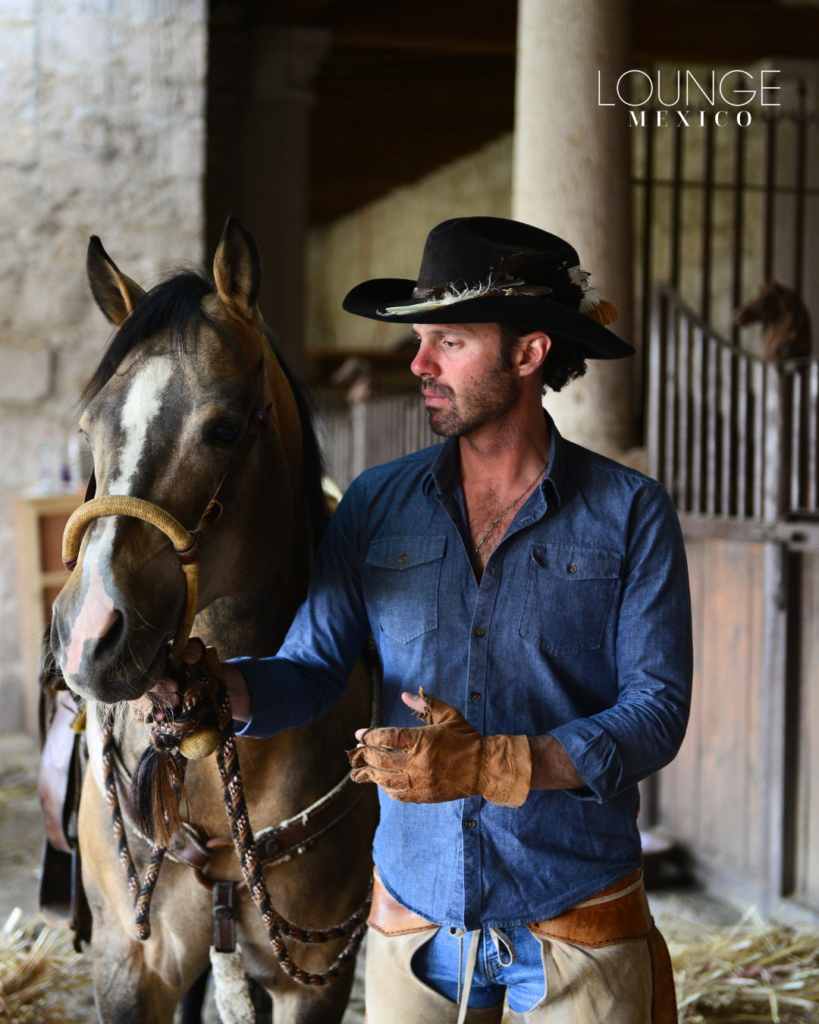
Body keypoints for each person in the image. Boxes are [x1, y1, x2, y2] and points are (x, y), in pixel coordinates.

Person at [156, 217, 692, 1022]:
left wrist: (494, 765)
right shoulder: (376, 503)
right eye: (419, 341)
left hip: (576, 913)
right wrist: (220, 690)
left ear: (528, 352)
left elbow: (656, 713)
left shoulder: (629, 512)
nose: (418, 364)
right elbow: (311, 669)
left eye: (449, 341)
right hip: (414, 920)